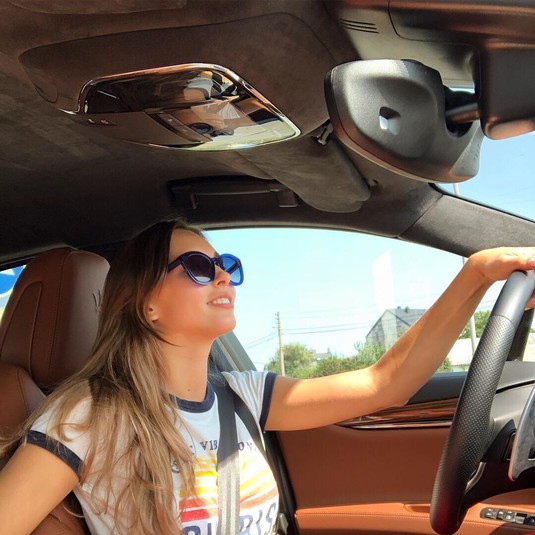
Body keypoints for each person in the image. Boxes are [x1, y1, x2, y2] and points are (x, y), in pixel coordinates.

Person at [0, 219, 535, 535]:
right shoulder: (86, 416)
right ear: (146, 304)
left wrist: (477, 275)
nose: (223, 277)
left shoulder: (243, 394)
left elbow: (385, 383)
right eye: (198, 267)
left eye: (227, 265)